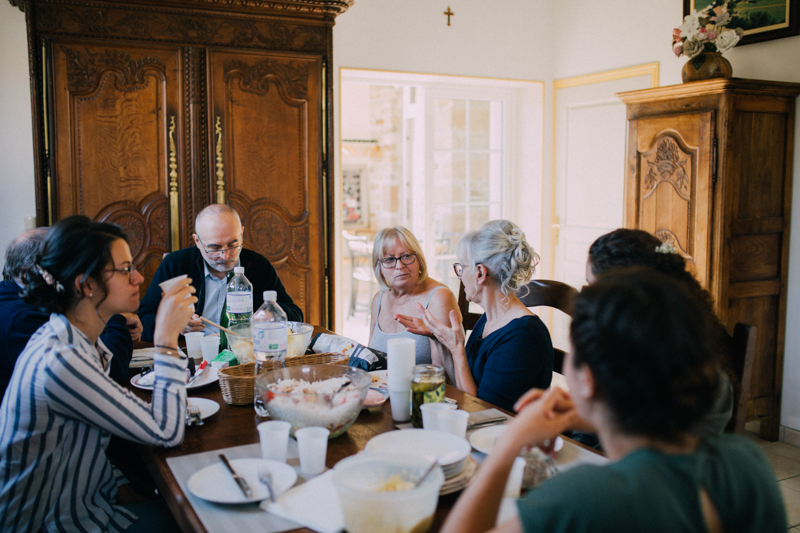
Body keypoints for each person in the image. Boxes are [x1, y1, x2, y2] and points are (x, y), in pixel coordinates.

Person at [440, 268, 786, 533]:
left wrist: (509, 445)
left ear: (587, 380)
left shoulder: (584, 497)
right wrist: (593, 417)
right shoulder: (747, 462)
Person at [0, 216, 196, 532]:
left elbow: (81, 439)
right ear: (86, 285)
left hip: (90, 504)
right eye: (125, 270)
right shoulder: (62, 360)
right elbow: (166, 432)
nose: (139, 277)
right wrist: (166, 340)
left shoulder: (73, 338)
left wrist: (121, 488)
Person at [587, 228, 733, 436]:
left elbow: (657, 446)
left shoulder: (694, 374)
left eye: (595, 289)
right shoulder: (622, 341)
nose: (589, 301)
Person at [400, 220, 553, 412]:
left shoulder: (523, 337)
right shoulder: (489, 319)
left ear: (480, 273)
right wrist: (441, 340)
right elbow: (462, 385)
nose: (460, 276)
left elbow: (482, 412)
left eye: (462, 268)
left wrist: (457, 349)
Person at [0, 228, 142, 400]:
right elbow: (107, 377)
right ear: (28, 275)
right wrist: (111, 314)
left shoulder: (21, 299)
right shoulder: (21, 321)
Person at [138, 204, 302, 342]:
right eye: (214, 248)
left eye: (233, 244)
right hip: (192, 356)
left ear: (241, 234)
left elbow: (296, 316)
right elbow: (143, 320)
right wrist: (176, 326)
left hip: (244, 353)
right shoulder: (175, 265)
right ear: (197, 241)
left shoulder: (258, 265)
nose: (225, 256)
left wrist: (271, 315)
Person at [368, 226, 461, 368]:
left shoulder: (439, 297)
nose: (399, 265)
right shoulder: (378, 299)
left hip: (423, 389)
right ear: (379, 268)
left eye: (406, 256)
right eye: (389, 259)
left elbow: (444, 376)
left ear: (419, 260)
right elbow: (371, 361)